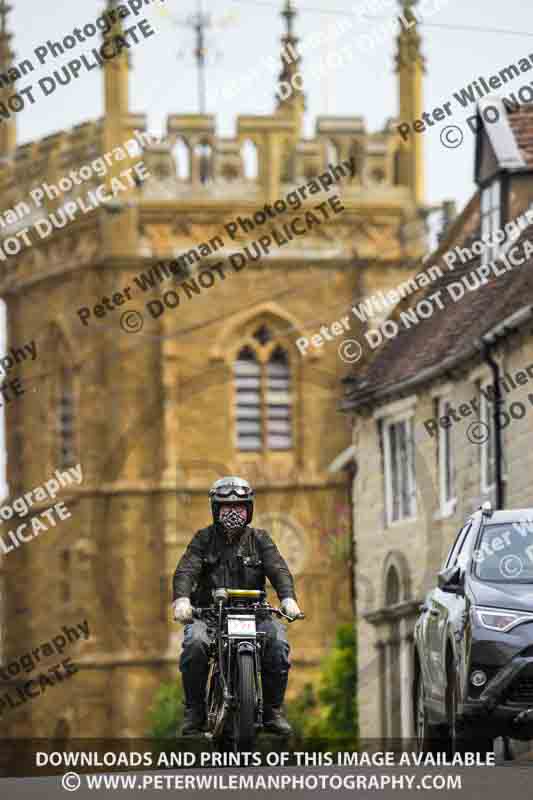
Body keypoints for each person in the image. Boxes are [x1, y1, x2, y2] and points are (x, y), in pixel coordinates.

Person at [172, 476, 303, 736]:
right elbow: (186, 569)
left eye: (239, 508)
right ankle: (195, 712)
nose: (233, 514)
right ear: (215, 510)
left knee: (278, 643)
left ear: (249, 510)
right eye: (227, 508)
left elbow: (278, 568)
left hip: (254, 613)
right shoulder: (203, 539)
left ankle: (273, 711)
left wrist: (288, 598)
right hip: (210, 615)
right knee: (194, 644)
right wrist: (183, 600)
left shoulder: (260, 539)